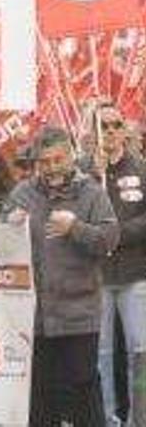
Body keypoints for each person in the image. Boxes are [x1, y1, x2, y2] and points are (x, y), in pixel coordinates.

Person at [2, 127, 119, 426]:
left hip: (79, 315)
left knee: (84, 394)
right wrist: (8, 227)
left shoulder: (92, 193)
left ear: (71, 156)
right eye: (45, 162)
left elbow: (109, 240)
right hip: (35, 319)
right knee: (40, 399)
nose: (52, 168)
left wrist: (76, 228)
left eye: (58, 160)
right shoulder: (22, 193)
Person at [90, 105, 146, 427]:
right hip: (98, 276)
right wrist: (95, 178)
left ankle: (138, 420)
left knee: (139, 351)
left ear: (124, 129)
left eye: (115, 125)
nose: (109, 131)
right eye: (103, 125)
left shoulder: (140, 168)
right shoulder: (86, 173)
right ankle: (108, 419)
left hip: (135, 275)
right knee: (102, 354)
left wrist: (119, 234)